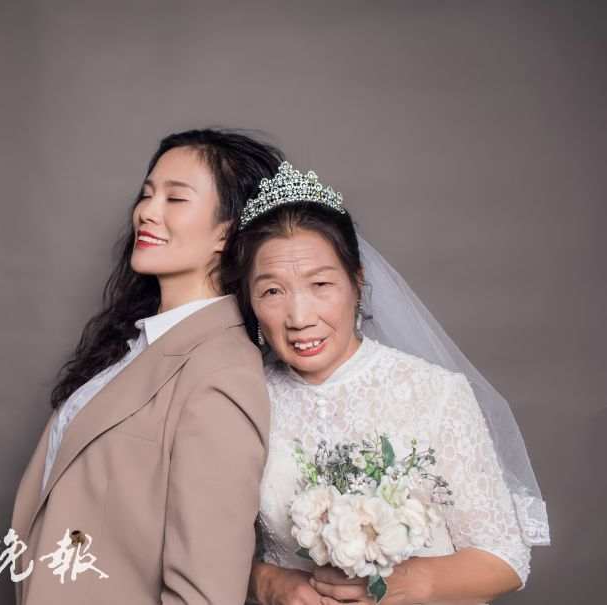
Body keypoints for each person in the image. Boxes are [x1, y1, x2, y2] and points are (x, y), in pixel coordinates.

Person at [220, 162, 550, 605]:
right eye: (273, 292)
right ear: (252, 302)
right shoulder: (241, 399)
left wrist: (415, 581)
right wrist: (267, 582)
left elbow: (507, 559)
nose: (299, 318)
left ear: (356, 284)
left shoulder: (433, 393)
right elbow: (201, 550)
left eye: (320, 284)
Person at [9, 129, 285, 604]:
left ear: (227, 230)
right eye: (147, 194)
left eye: (175, 198)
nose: (147, 212)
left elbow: (206, 594)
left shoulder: (221, 376)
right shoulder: (136, 345)